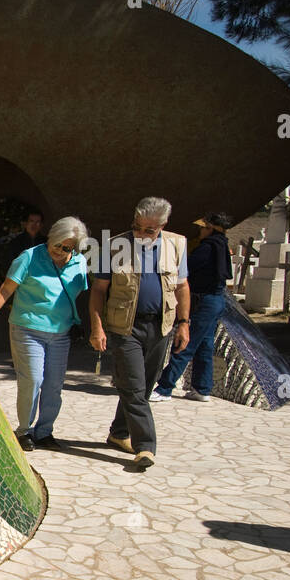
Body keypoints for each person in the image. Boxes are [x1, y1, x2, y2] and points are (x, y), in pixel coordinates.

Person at [0, 216, 90, 451]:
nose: (60, 251)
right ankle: (24, 430)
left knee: (54, 385)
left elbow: (79, 293)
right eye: (56, 244)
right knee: (32, 380)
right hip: (28, 329)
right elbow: (6, 289)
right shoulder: (30, 257)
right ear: (50, 238)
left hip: (61, 333)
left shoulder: (79, 264)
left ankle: (44, 432)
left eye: (66, 248)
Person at [88, 197, 190, 469]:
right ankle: (145, 446)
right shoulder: (114, 245)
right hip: (125, 328)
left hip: (161, 327)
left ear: (162, 226)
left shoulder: (176, 244)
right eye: (137, 227)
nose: (141, 234)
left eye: (149, 230)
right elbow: (98, 290)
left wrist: (184, 323)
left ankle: (118, 433)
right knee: (133, 386)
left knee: (142, 388)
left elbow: (182, 287)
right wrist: (97, 327)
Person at [151, 212, 234, 402]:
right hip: (216, 300)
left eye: (203, 228)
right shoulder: (221, 245)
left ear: (210, 229)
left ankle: (164, 387)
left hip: (205, 301)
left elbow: (186, 268)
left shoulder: (207, 247)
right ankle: (202, 388)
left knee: (184, 343)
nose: (200, 231)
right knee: (204, 345)